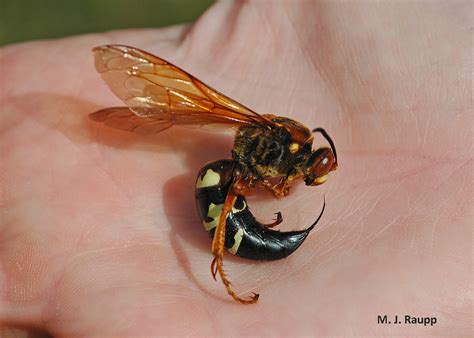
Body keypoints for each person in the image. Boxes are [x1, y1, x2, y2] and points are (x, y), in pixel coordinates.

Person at [0, 1, 470, 336]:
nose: (309, 177)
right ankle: (219, 266)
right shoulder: (279, 142)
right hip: (221, 183)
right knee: (222, 185)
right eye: (313, 169)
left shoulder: (292, 151)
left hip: (235, 182)